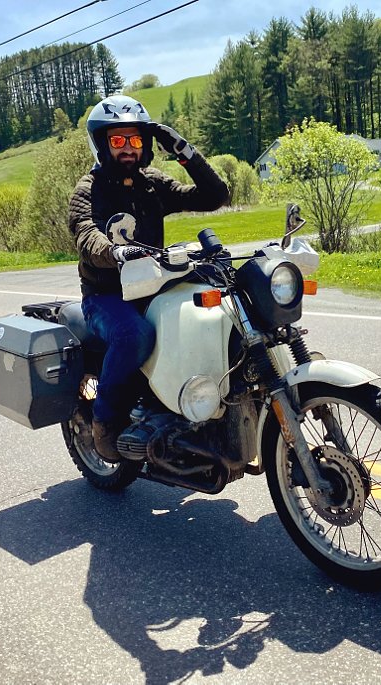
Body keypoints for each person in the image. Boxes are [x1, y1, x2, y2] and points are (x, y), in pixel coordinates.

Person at [68, 95, 230, 462]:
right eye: (118, 139)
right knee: (134, 335)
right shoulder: (88, 189)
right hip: (106, 296)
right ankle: (105, 422)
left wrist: (185, 152)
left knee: (210, 313)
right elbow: (86, 235)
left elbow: (214, 196)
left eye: (136, 139)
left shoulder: (151, 183)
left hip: (153, 287)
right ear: (103, 144)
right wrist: (115, 252)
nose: (128, 147)